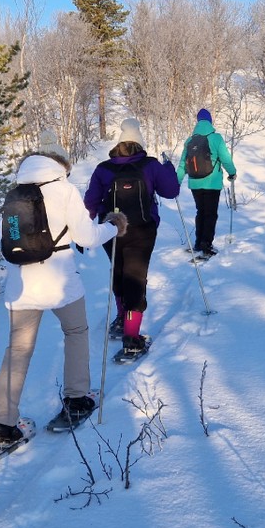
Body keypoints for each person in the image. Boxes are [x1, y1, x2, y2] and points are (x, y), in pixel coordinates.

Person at [0, 136, 127, 442]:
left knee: (18, 350)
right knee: (76, 332)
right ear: (60, 164)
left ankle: (2, 421)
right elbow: (88, 237)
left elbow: (8, 242)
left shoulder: (14, 193)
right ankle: (77, 398)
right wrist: (113, 226)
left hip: (21, 285)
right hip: (61, 281)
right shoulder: (64, 190)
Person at [84, 117, 180, 358]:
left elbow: (90, 203)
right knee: (135, 279)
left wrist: (84, 229)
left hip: (111, 230)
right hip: (142, 230)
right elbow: (171, 191)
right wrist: (169, 168)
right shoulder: (150, 165)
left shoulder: (104, 168)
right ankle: (132, 338)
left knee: (119, 271)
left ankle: (120, 318)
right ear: (140, 143)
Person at [176, 108, 236, 258]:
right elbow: (225, 159)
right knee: (210, 214)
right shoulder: (216, 138)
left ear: (198, 121)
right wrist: (232, 173)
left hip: (195, 183)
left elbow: (183, 164)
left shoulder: (189, 141)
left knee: (200, 212)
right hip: (212, 183)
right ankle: (206, 244)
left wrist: (177, 181)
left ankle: (198, 242)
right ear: (210, 121)